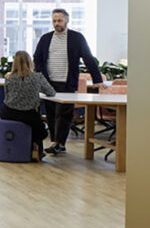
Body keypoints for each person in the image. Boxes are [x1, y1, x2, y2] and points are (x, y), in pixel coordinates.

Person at [33, 8, 103, 155]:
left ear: (67, 20)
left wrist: (97, 79)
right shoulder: (46, 38)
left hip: (66, 82)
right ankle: (55, 141)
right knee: (51, 113)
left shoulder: (76, 38)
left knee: (64, 114)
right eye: (54, 21)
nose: (56, 23)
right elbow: (37, 59)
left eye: (59, 20)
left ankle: (60, 143)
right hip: (49, 83)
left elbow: (88, 58)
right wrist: (41, 77)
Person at [0, 50, 57, 161]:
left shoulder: (8, 77)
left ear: (14, 63)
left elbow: (7, 96)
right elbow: (51, 92)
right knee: (41, 130)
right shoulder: (37, 77)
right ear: (30, 62)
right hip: (28, 115)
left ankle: (17, 149)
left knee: (33, 121)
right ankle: (36, 149)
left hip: (7, 113)